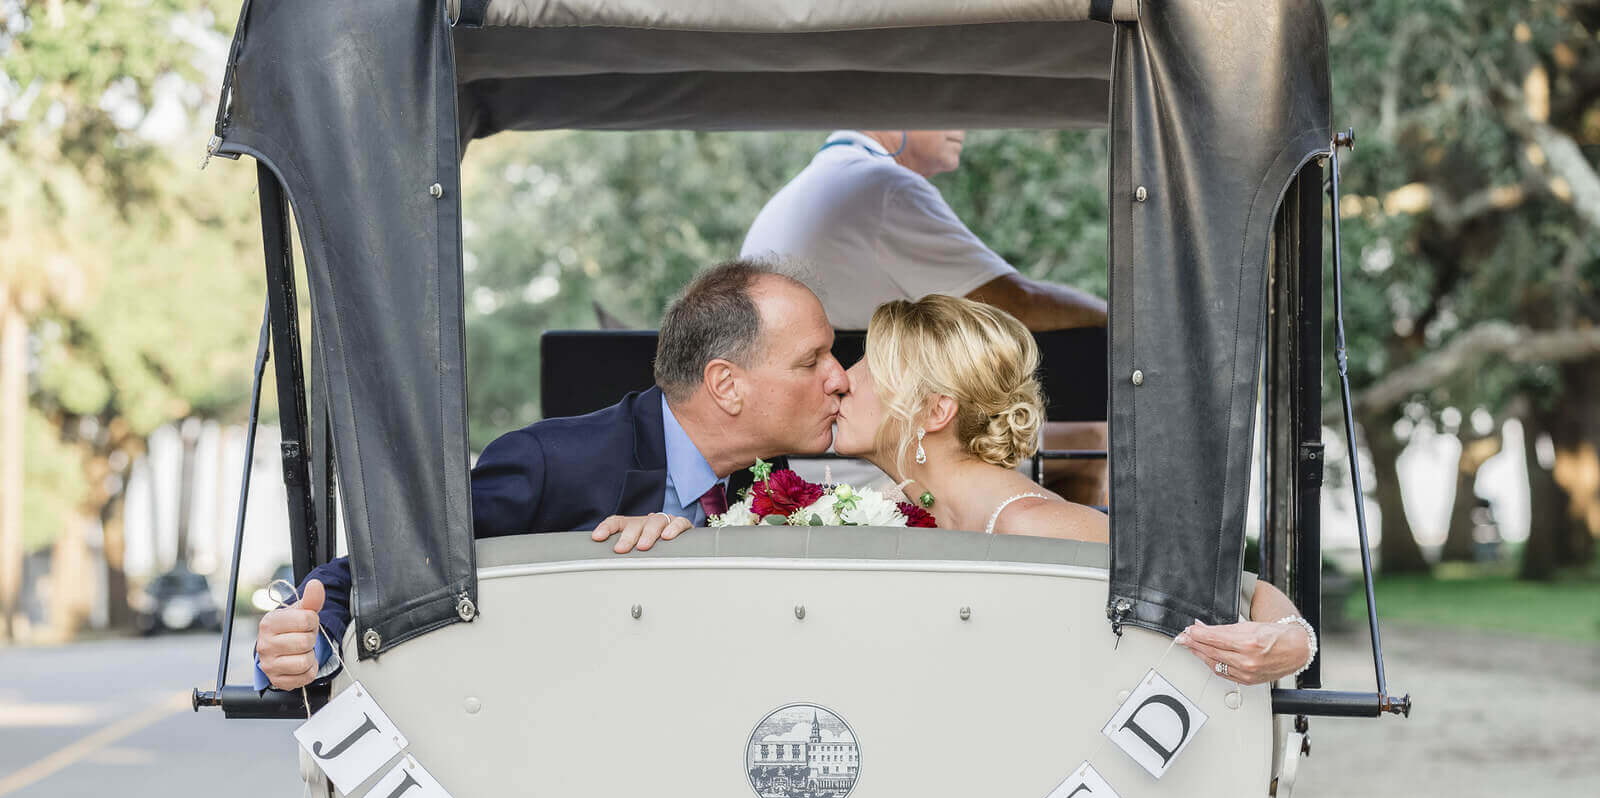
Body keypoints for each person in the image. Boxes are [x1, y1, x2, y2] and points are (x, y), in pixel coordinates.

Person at [254, 258, 847, 691]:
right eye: (811, 360)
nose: (840, 377)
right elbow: (371, 575)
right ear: (727, 385)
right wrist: (301, 642)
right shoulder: (549, 464)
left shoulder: (767, 481)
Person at [831, 294, 1315, 685]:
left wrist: (1294, 642)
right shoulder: (893, 507)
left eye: (870, 368)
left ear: (935, 412)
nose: (841, 380)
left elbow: (1245, 594)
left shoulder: (1029, 524)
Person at [741, 129, 1108, 502]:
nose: (960, 126)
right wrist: (1113, 317)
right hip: (852, 459)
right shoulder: (884, 190)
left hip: (792, 455)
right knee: (1092, 440)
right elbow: (1017, 302)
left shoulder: (800, 193)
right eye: (942, 105)